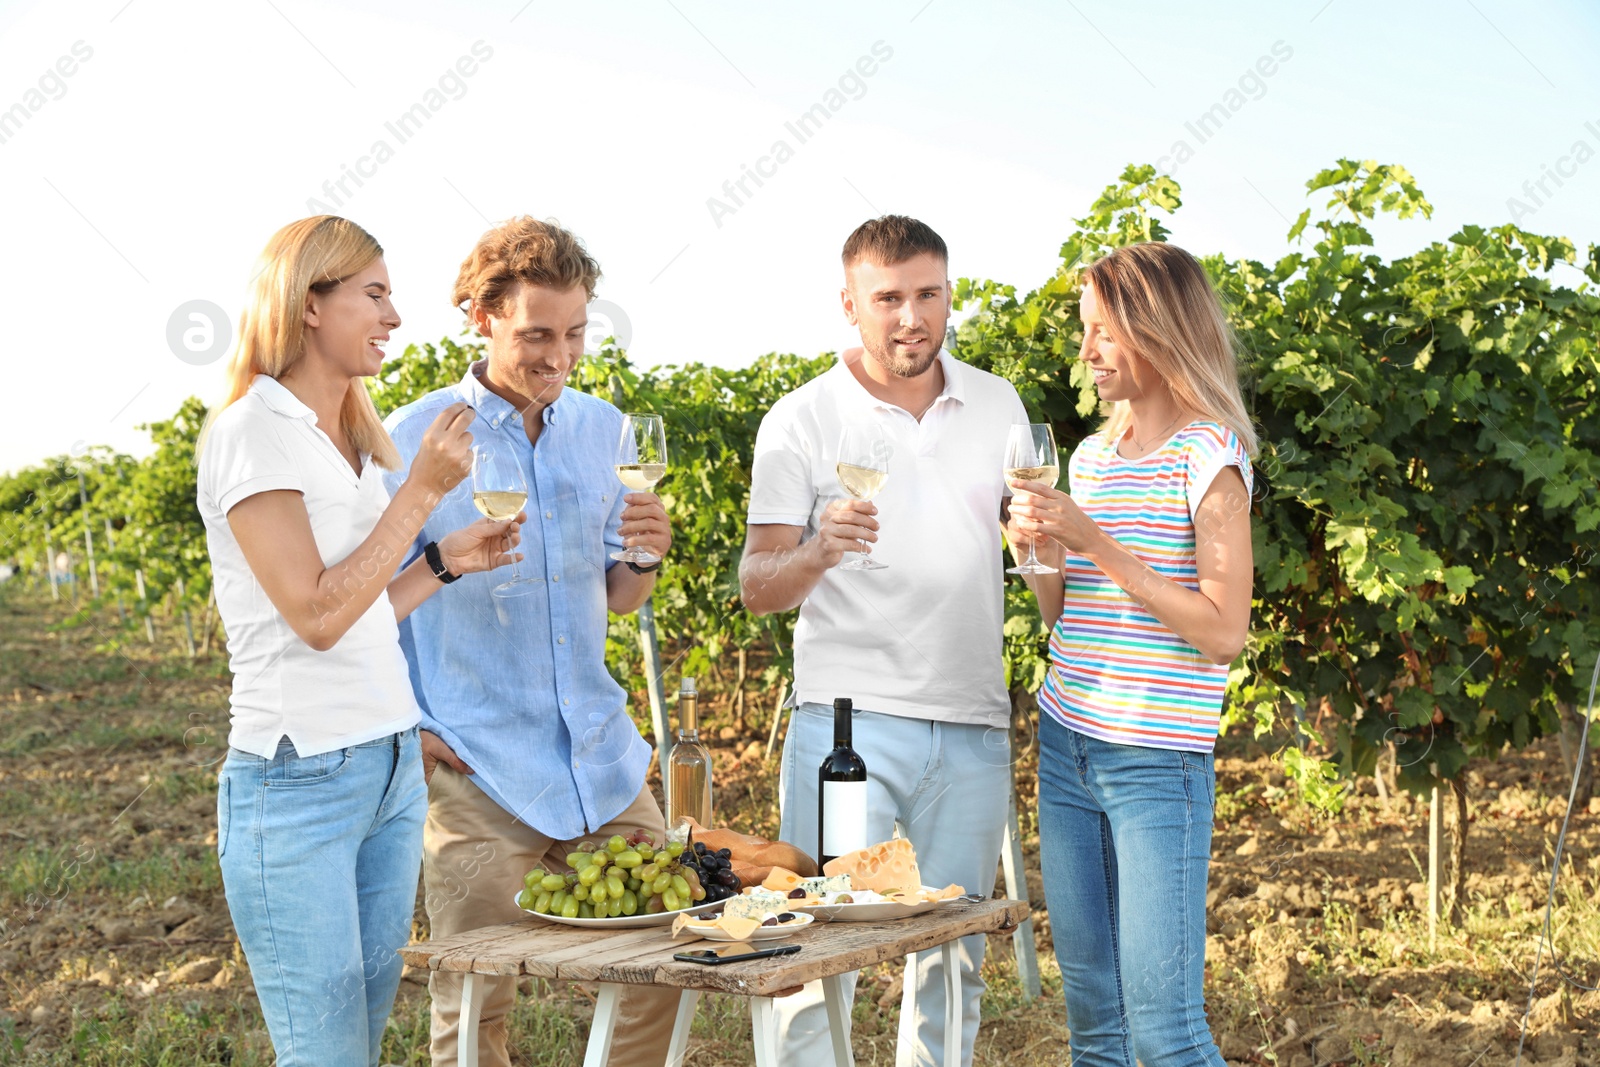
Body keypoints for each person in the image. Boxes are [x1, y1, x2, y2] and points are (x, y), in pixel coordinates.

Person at [197, 215, 523, 1066]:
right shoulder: (251, 434)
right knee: (326, 1054)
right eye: (374, 294)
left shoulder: (351, 442)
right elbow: (314, 615)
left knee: (361, 1044)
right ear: (311, 304)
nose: (394, 316)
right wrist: (419, 497)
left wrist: (446, 565)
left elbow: (366, 605)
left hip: (386, 770)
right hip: (297, 782)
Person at [382, 216, 677, 1067]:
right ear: (483, 317)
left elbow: (622, 598)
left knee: (660, 971)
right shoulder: (413, 438)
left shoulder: (605, 431)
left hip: (601, 757)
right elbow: (369, 603)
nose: (560, 354)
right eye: (536, 334)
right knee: (474, 1005)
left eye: (577, 332)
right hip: (479, 766)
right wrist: (414, 728)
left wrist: (648, 552)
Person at [740, 215, 1026, 1066]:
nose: (911, 317)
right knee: (815, 943)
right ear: (850, 305)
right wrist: (822, 548)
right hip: (848, 729)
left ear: (948, 294)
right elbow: (757, 586)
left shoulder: (997, 404)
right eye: (888, 298)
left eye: (927, 295)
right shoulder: (801, 418)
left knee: (953, 957)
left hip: (972, 719)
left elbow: (1031, 540)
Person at [1007, 242, 1255, 1066]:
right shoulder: (1091, 457)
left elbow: (1223, 630)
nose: (1086, 352)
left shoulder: (1210, 456)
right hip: (1069, 744)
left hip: (1156, 762)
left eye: (1103, 333)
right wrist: (1037, 553)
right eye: (1085, 331)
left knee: (1166, 1031)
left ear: (1157, 330)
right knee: (1095, 1024)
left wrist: (1096, 540)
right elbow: (1063, 615)